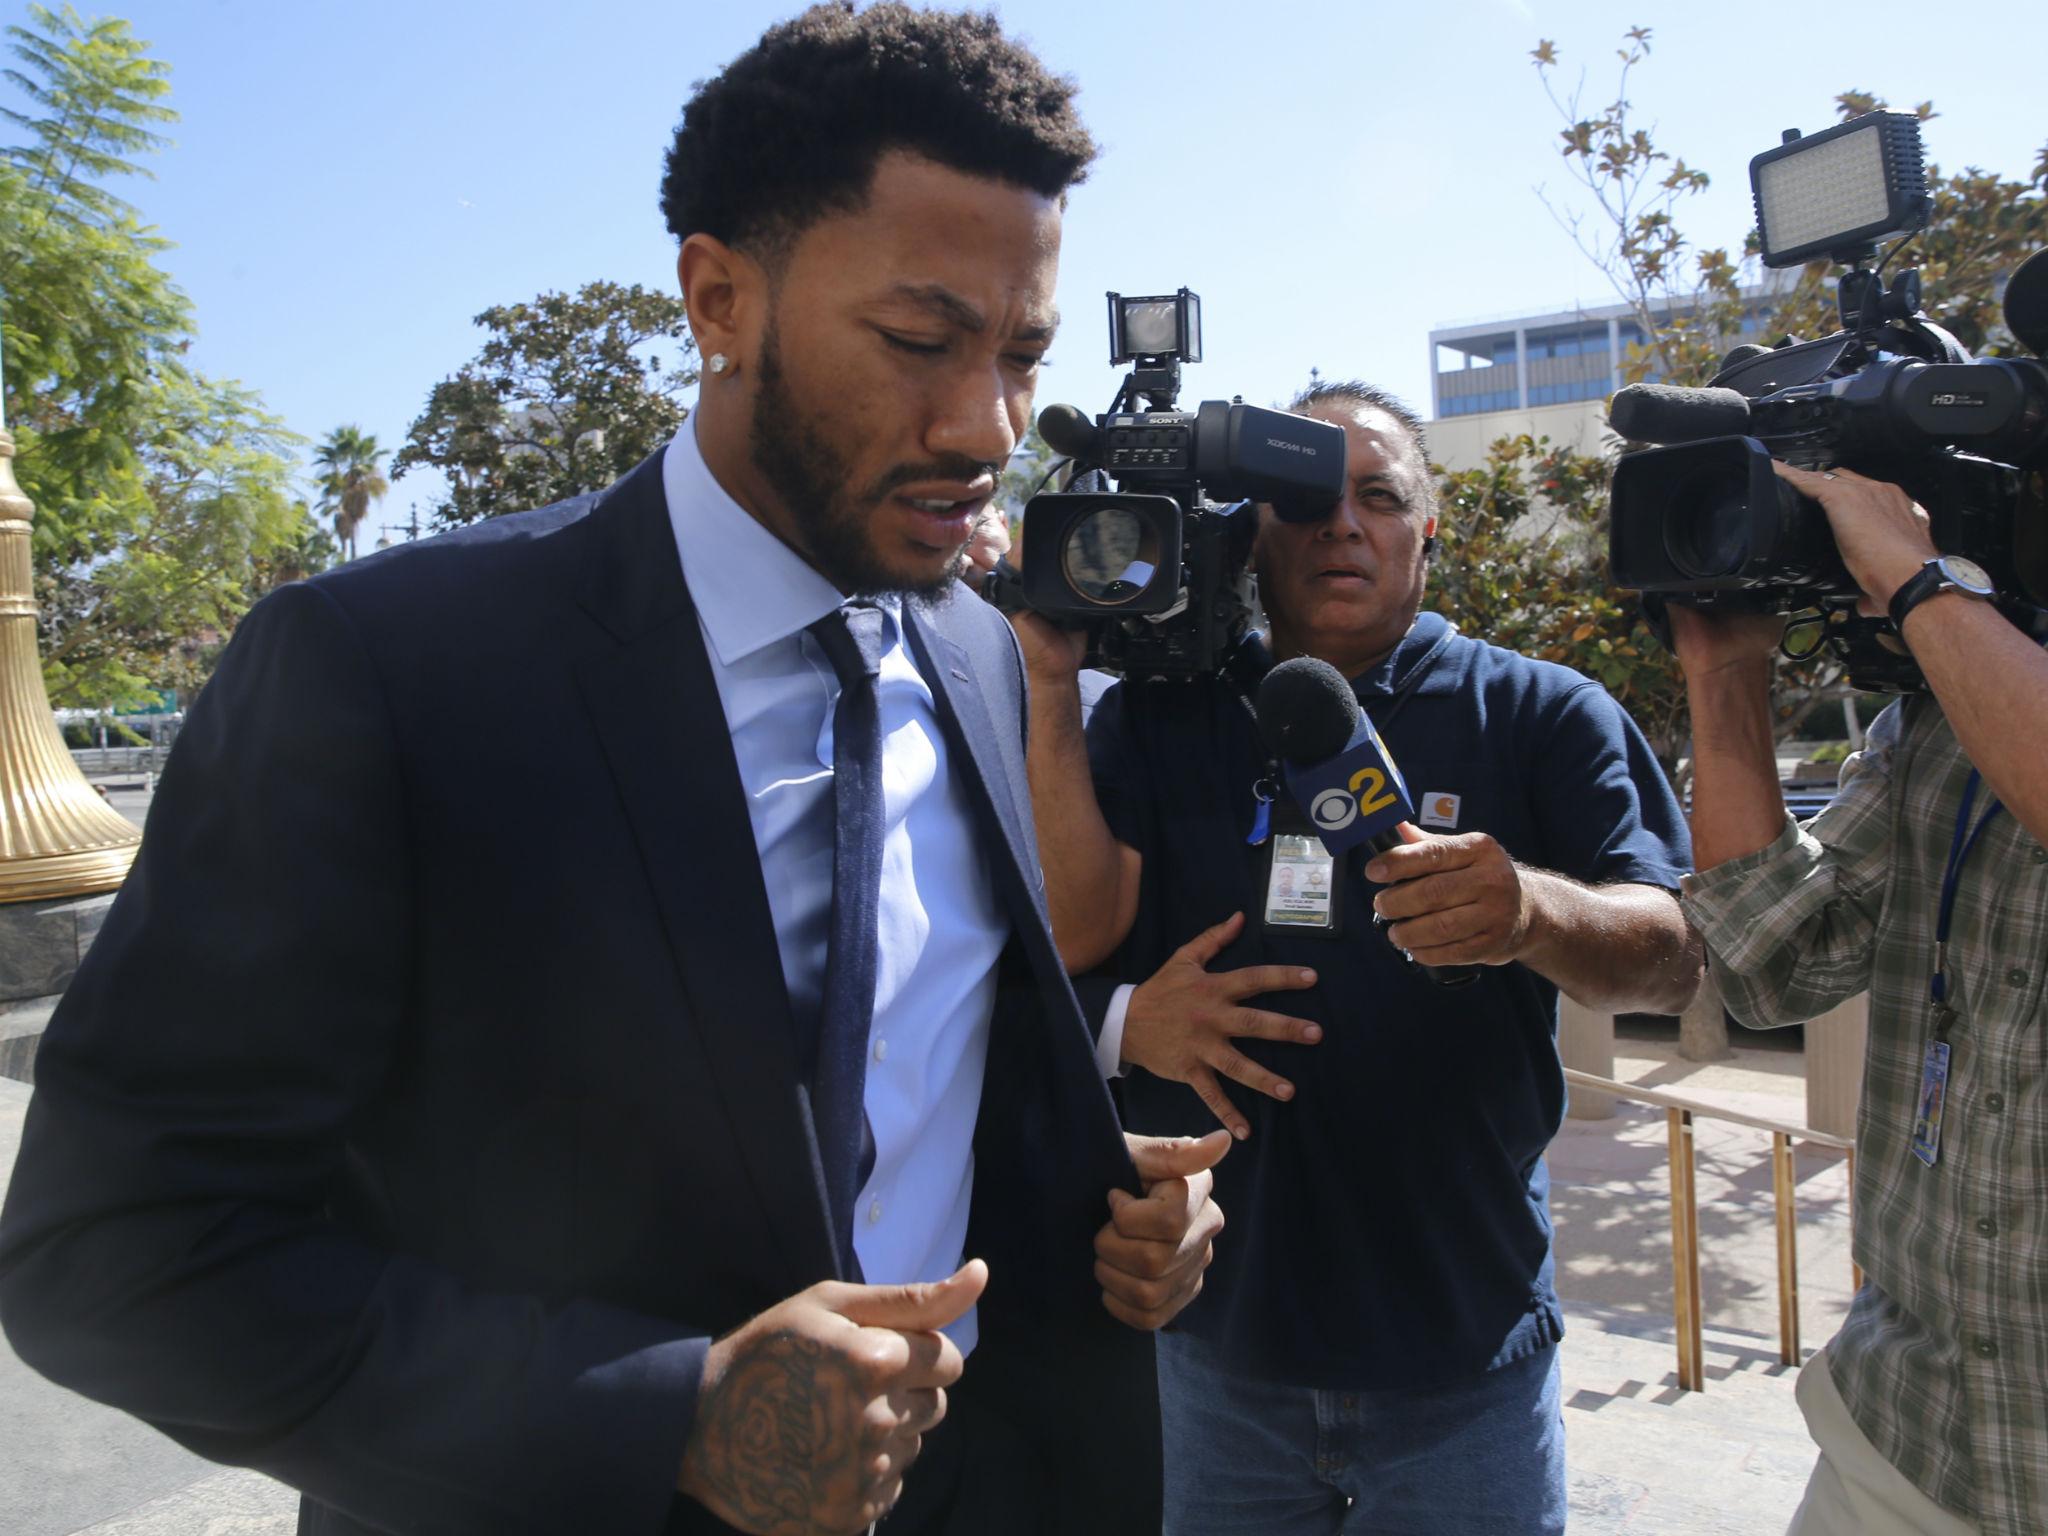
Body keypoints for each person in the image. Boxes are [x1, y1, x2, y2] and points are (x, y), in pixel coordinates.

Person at [0, 9, 1228, 1535]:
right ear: (720, 299)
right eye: (921, 340)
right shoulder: (385, 671)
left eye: (1023, 353)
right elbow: (116, 1250)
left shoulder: (980, 654)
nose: (987, 425)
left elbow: (934, 1074)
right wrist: (673, 1416)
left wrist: (1110, 1211)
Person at [1016, 379, 1700, 1534]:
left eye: (1379, 497)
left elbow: (1672, 959)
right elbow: (1075, 938)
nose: (1343, 523)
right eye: (1305, 500)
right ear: (1248, 536)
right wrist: (1045, 677)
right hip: (1216, 1357)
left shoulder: (1541, 712)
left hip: (1463, 1358)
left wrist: (1527, 913)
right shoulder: (1154, 716)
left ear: (1424, 533)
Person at [1672, 460, 2048, 1536]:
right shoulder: (1938, 713)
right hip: (1908, 1446)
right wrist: (1724, 675)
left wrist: (1921, 585)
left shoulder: (1947, 626)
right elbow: (1775, 965)